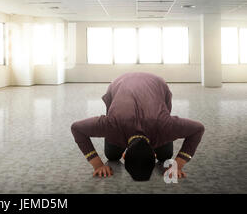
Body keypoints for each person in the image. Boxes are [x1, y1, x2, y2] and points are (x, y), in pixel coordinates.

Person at [71, 72, 205, 181]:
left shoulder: (165, 125)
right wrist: (97, 165)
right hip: (120, 83)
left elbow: (198, 129)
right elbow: (76, 128)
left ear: (124, 155)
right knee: (111, 155)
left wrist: (178, 165)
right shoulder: (112, 124)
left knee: (165, 155)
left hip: (156, 84)